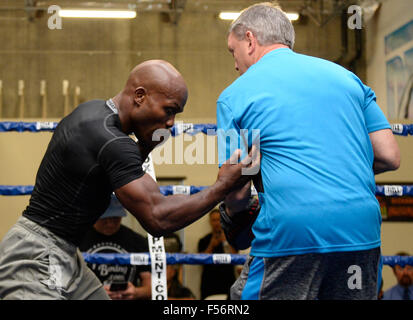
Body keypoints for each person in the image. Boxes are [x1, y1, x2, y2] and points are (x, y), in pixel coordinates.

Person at [0, 59, 258, 300]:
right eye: (168, 110)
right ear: (140, 96)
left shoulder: (93, 112)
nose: (171, 123)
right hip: (35, 255)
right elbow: (158, 218)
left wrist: (145, 147)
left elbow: (122, 171)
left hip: (64, 252)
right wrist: (222, 186)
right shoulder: (112, 141)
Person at [216, 2, 400, 300]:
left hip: (293, 234)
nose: (235, 64)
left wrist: (234, 213)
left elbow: (237, 191)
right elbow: (390, 156)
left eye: (232, 52)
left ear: (249, 40)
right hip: (362, 232)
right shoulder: (349, 78)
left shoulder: (236, 96)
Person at [79, 194, 151, 300]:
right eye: (105, 219)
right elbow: (66, 284)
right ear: (95, 215)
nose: (110, 224)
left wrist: (135, 292)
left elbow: (151, 287)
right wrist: (93, 293)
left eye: (115, 218)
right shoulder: (78, 240)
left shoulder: (137, 241)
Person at [198, 208, 238, 299]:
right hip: (209, 282)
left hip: (228, 281)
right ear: (210, 222)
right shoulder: (204, 240)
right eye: (214, 220)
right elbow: (200, 261)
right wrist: (211, 246)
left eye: (218, 220)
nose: (216, 223)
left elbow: (236, 258)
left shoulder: (230, 238)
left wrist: (226, 243)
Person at [163, 233, 196, 300]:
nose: (161, 270)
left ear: (173, 271)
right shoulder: (148, 289)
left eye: (165, 266)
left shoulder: (182, 291)